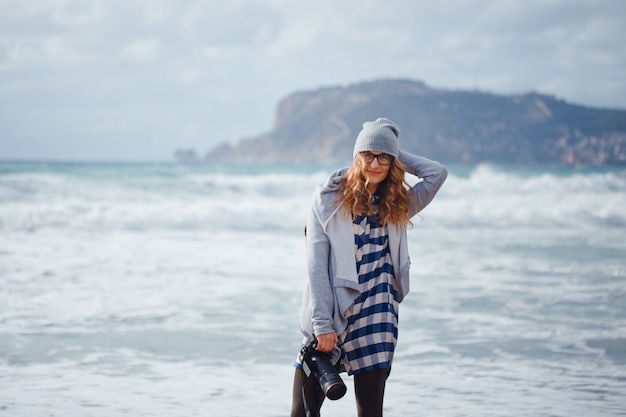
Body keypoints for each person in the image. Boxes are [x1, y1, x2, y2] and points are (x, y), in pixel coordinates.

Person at [290, 118, 448, 417]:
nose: (375, 163)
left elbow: (436, 173)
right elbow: (316, 266)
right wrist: (322, 325)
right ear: (356, 156)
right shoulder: (328, 199)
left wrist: (390, 147)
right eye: (368, 154)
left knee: (370, 413)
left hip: (377, 314)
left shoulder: (398, 203)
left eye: (383, 157)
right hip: (334, 315)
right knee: (301, 412)